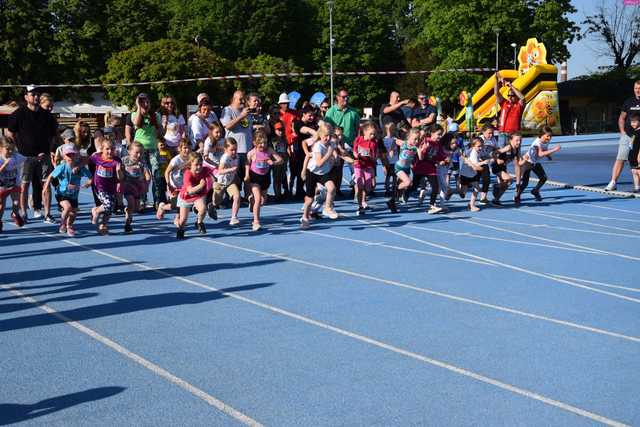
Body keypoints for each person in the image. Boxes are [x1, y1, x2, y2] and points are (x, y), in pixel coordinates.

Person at [6, 85, 58, 223]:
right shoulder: (18, 114)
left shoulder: (47, 115)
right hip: (24, 156)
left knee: (46, 185)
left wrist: (49, 150)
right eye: (32, 94)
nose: (35, 96)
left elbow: (53, 135)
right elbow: (10, 132)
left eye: (36, 94)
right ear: (26, 97)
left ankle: (47, 214)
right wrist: (17, 149)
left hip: (44, 156)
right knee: (24, 185)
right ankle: (23, 213)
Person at [42, 143, 92, 237]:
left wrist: (88, 183)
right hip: (62, 193)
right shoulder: (62, 167)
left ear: (76, 155)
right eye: (68, 154)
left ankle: (69, 226)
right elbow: (51, 176)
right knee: (68, 207)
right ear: (63, 156)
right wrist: (45, 187)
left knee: (73, 213)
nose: (70, 156)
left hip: (73, 195)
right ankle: (62, 223)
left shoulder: (80, 168)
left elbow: (91, 178)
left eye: (72, 154)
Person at [300, 122, 341, 229]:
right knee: (310, 199)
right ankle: (305, 218)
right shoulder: (318, 145)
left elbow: (337, 155)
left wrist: (337, 157)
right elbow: (319, 163)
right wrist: (329, 153)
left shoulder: (332, 144)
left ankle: (327, 208)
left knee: (332, 188)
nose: (327, 138)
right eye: (325, 136)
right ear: (320, 135)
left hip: (324, 173)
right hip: (313, 172)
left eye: (329, 136)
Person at [126, 93, 163, 208]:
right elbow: (136, 123)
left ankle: (157, 200)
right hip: (139, 149)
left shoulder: (156, 115)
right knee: (141, 175)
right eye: (142, 102)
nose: (145, 104)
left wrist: (163, 127)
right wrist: (138, 107)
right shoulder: (133, 115)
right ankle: (142, 199)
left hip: (153, 148)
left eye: (147, 101)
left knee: (156, 174)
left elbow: (160, 132)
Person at [244, 129, 283, 231]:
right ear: (254, 143)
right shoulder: (251, 153)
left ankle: (251, 200)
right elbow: (247, 164)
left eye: (264, 143)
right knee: (258, 199)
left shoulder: (269, 150)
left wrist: (273, 162)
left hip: (265, 177)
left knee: (263, 201)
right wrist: (247, 175)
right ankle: (256, 222)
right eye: (260, 143)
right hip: (255, 177)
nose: (262, 145)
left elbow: (281, 160)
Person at [605, 80, 640, 192]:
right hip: (628, 136)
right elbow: (621, 118)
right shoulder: (629, 102)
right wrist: (622, 132)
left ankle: (637, 186)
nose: (638, 90)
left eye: (639, 88)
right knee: (620, 158)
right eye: (636, 88)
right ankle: (613, 182)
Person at [324, 88, 360, 194]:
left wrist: (357, 143)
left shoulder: (353, 112)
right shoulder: (331, 112)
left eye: (347, 96)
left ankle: (356, 189)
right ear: (338, 97)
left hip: (350, 144)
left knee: (354, 166)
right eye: (343, 97)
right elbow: (326, 128)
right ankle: (336, 189)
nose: (346, 99)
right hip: (336, 144)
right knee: (336, 168)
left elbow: (357, 128)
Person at [515, 126, 561, 203]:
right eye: (547, 136)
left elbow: (544, 149)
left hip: (535, 162)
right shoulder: (537, 143)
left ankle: (535, 190)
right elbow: (540, 154)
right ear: (542, 135)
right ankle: (517, 195)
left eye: (550, 136)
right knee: (525, 183)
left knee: (543, 178)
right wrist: (554, 150)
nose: (549, 138)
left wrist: (548, 156)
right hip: (527, 162)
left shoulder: (546, 141)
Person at [88, 138, 123, 235]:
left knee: (110, 208)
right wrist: (89, 178)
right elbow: (87, 161)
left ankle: (103, 225)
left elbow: (120, 178)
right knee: (108, 205)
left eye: (112, 149)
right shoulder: (97, 157)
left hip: (111, 187)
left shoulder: (117, 161)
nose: (110, 151)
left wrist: (118, 171)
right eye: (107, 149)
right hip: (99, 186)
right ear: (102, 149)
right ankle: (95, 210)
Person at [221, 90, 253, 191]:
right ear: (234, 99)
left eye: (244, 99)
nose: (243, 101)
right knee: (235, 179)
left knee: (247, 178)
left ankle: (247, 198)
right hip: (234, 152)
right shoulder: (228, 110)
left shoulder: (246, 112)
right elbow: (227, 126)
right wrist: (241, 116)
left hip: (247, 150)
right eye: (240, 99)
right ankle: (234, 199)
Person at [176, 152, 212, 239]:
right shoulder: (187, 174)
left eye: (200, 164)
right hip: (186, 196)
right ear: (190, 164)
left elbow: (214, 171)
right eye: (196, 165)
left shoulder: (204, 170)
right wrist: (201, 185)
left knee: (203, 209)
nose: (199, 167)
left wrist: (213, 179)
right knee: (183, 220)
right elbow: (190, 191)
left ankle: (199, 222)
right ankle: (181, 229)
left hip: (198, 195)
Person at [414, 124, 447, 214]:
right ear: (432, 133)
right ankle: (399, 195)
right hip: (421, 168)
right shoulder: (426, 141)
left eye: (441, 134)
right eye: (438, 134)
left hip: (431, 169)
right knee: (413, 187)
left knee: (435, 187)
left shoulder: (437, 144)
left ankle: (432, 206)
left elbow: (440, 154)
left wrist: (444, 158)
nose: (440, 136)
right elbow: (421, 155)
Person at [387, 127, 420, 213]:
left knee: (405, 186)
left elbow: (420, 158)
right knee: (408, 182)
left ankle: (392, 202)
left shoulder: (416, 148)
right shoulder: (404, 144)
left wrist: (419, 150)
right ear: (409, 137)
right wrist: (391, 149)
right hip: (399, 167)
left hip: (407, 169)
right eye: (415, 139)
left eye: (418, 139)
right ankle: (395, 190)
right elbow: (394, 140)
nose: (416, 141)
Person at [122, 141, 152, 233]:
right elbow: (117, 169)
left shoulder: (141, 163)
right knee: (131, 203)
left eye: (141, 153)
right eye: (136, 152)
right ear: (130, 151)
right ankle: (128, 222)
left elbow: (147, 174)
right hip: (127, 186)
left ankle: (128, 213)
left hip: (138, 187)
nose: (139, 155)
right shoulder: (124, 160)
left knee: (136, 208)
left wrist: (146, 184)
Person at [157, 139, 191, 222]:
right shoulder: (176, 160)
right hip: (174, 185)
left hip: (183, 186)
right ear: (179, 149)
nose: (187, 150)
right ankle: (162, 207)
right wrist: (168, 184)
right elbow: (167, 172)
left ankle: (177, 218)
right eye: (185, 148)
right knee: (174, 205)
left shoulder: (191, 158)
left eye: (189, 148)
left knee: (182, 204)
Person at [291, 105, 318, 199]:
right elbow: (306, 130)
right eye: (310, 115)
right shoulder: (298, 123)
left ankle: (309, 191)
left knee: (311, 172)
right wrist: (316, 133)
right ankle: (299, 191)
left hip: (312, 152)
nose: (312, 117)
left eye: (313, 115)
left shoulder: (314, 122)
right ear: (304, 114)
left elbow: (321, 124)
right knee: (300, 173)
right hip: (300, 152)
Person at [0, 137, 27, 230]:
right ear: (0, 148)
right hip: (2, 186)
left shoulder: (16, 156)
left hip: (14, 184)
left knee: (16, 202)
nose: (10, 151)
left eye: (12, 149)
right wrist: (4, 165)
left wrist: (36, 157)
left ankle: (15, 214)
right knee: (1, 206)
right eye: (7, 149)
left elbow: (26, 158)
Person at [214, 138, 242, 226]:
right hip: (221, 182)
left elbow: (235, 170)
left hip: (230, 182)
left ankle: (234, 217)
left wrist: (236, 177)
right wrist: (230, 170)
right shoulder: (225, 158)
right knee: (216, 202)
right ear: (225, 150)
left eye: (235, 149)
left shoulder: (237, 156)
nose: (234, 152)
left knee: (237, 196)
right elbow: (220, 171)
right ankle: (212, 205)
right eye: (231, 150)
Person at [353, 122, 378, 215]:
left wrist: (369, 157)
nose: (373, 136)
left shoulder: (373, 143)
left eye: (374, 134)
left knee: (368, 187)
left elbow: (374, 157)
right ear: (364, 132)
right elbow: (354, 151)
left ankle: (363, 200)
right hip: (358, 166)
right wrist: (357, 155)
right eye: (371, 134)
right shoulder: (358, 139)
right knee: (360, 186)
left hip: (368, 166)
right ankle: (360, 205)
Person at [494, 72, 525, 148]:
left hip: (514, 134)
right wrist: (496, 80)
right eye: (509, 95)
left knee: (515, 154)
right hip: (502, 133)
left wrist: (511, 86)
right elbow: (496, 93)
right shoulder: (504, 103)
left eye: (512, 95)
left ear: (516, 96)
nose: (510, 97)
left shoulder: (519, 105)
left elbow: (522, 98)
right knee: (501, 154)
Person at [491, 133, 522, 206]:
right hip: (496, 166)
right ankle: (496, 186)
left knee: (506, 185)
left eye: (520, 140)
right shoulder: (508, 147)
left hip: (503, 168)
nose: (519, 142)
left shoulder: (517, 150)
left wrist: (518, 182)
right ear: (511, 140)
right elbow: (494, 153)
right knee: (509, 180)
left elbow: (517, 166)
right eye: (517, 140)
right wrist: (497, 159)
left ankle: (496, 200)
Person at [459, 137, 487, 212]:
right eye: (479, 146)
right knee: (463, 193)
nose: (480, 148)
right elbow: (475, 166)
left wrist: (482, 160)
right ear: (473, 146)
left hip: (472, 175)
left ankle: (471, 205)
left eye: (481, 146)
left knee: (477, 188)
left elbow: (476, 161)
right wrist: (483, 164)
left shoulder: (477, 151)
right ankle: (451, 191)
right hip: (466, 174)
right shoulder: (473, 153)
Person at [271, 121, 289, 200]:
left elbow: (286, 149)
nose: (281, 131)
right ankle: (277, 194)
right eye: (279, 130)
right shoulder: (273, 140)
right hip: (276, 161)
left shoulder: (285, 139)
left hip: (284, 161)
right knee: (276, 178)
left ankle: (283, 192)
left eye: (282, 130)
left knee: (282, 177)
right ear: (275, 131)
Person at [382, 122, 399, 197]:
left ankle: (394, 190)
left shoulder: (396, 139)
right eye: (389, 129)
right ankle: (387, 190)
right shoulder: (383, 140)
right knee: (388, 176)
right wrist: (383, 165)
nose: (391, 131)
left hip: (395, 161)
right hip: (387, 161)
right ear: (386, 130)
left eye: (392, 129)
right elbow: (382, 153)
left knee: (395, 177)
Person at [627, 113, 640, 184]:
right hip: (632, 155)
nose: (633, 124)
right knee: (634, 171)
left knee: (638, 171)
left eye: (635, 122)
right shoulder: (634, 132)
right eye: (632, 122)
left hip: (637, 156)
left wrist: (639, 156)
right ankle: (637, 187)